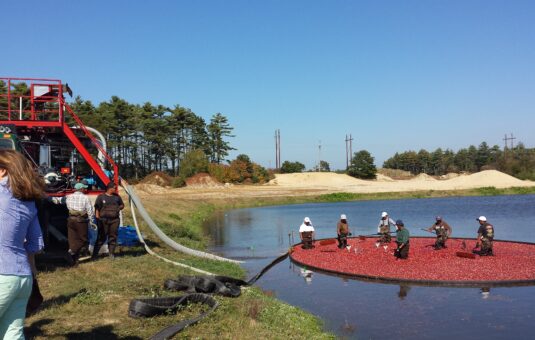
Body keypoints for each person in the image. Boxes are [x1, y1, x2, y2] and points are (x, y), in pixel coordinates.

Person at [0, 150, 44, 338]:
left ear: (2, 171)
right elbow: (36, 244)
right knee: (13, 334)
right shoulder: (29, 203)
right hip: (22, 277)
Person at [52, 182, 95, 265]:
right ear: (81, 189)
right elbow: (90, 211)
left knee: (72, 240)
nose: (85, 189)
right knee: (83, 240)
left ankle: (73, 260)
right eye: (84, 188)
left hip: (70, 220)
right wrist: (92, 221)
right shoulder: (85, 198)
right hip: (81, 220)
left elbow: (57, 201)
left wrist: (47, 197)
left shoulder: (68, 197)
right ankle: (71, 253)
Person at [92, 181, 124, 260]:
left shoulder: (117, 197)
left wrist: (118, 208)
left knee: (113, 237)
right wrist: (98, 218)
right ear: (110, 188)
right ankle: (94, 255)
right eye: (114, 188)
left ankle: (111, 254)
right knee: (101, 238)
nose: (115, 189)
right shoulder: (101, 197)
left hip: (115, 220)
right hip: (103, 220)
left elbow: (122, 205)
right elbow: (97, 208)